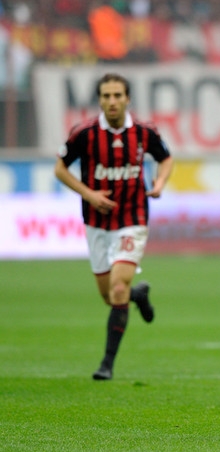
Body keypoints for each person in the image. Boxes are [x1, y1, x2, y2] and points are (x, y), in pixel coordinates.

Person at [55, 72, 174, 380]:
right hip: (96, 221)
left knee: (118, 288)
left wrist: (160, 182)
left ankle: (106, 364)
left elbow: (166, 158)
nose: (112, 101)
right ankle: (139, 294)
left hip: (133, 217)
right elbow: (60, 169)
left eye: (117, 95)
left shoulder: (144, 132)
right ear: (99, 100)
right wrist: (89, 194)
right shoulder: (84, 133)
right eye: (106, 96)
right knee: (110, 296)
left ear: (127, 99)